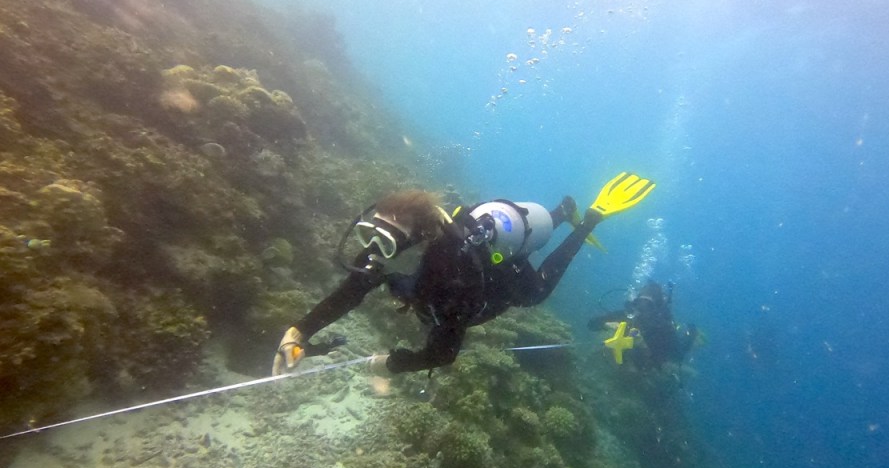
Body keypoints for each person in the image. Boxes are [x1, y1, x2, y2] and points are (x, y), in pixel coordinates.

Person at [272, 172, 655, 376]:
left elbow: (443, 354)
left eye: (386, 245)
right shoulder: (385, 248)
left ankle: (587, 219)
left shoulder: (449, 277)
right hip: (480, 243)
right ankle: (559, 211)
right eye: (371, 237)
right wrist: (298, 332)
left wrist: (393, 364)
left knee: (536, 293)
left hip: (496, 277)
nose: (374, 254)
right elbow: (349, 292)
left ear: (419, 243)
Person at [587, 281, 699, 372]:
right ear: (634, 302)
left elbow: (677, 354)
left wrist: (644, 346)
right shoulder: (626, 316)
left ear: (657, 308)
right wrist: (606, 324)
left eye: (648, 306)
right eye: (639, 303)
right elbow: (591, 324)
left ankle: (692, 333)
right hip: (614, 367)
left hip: (643, 372)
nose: (641, 309)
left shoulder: (664, 328)